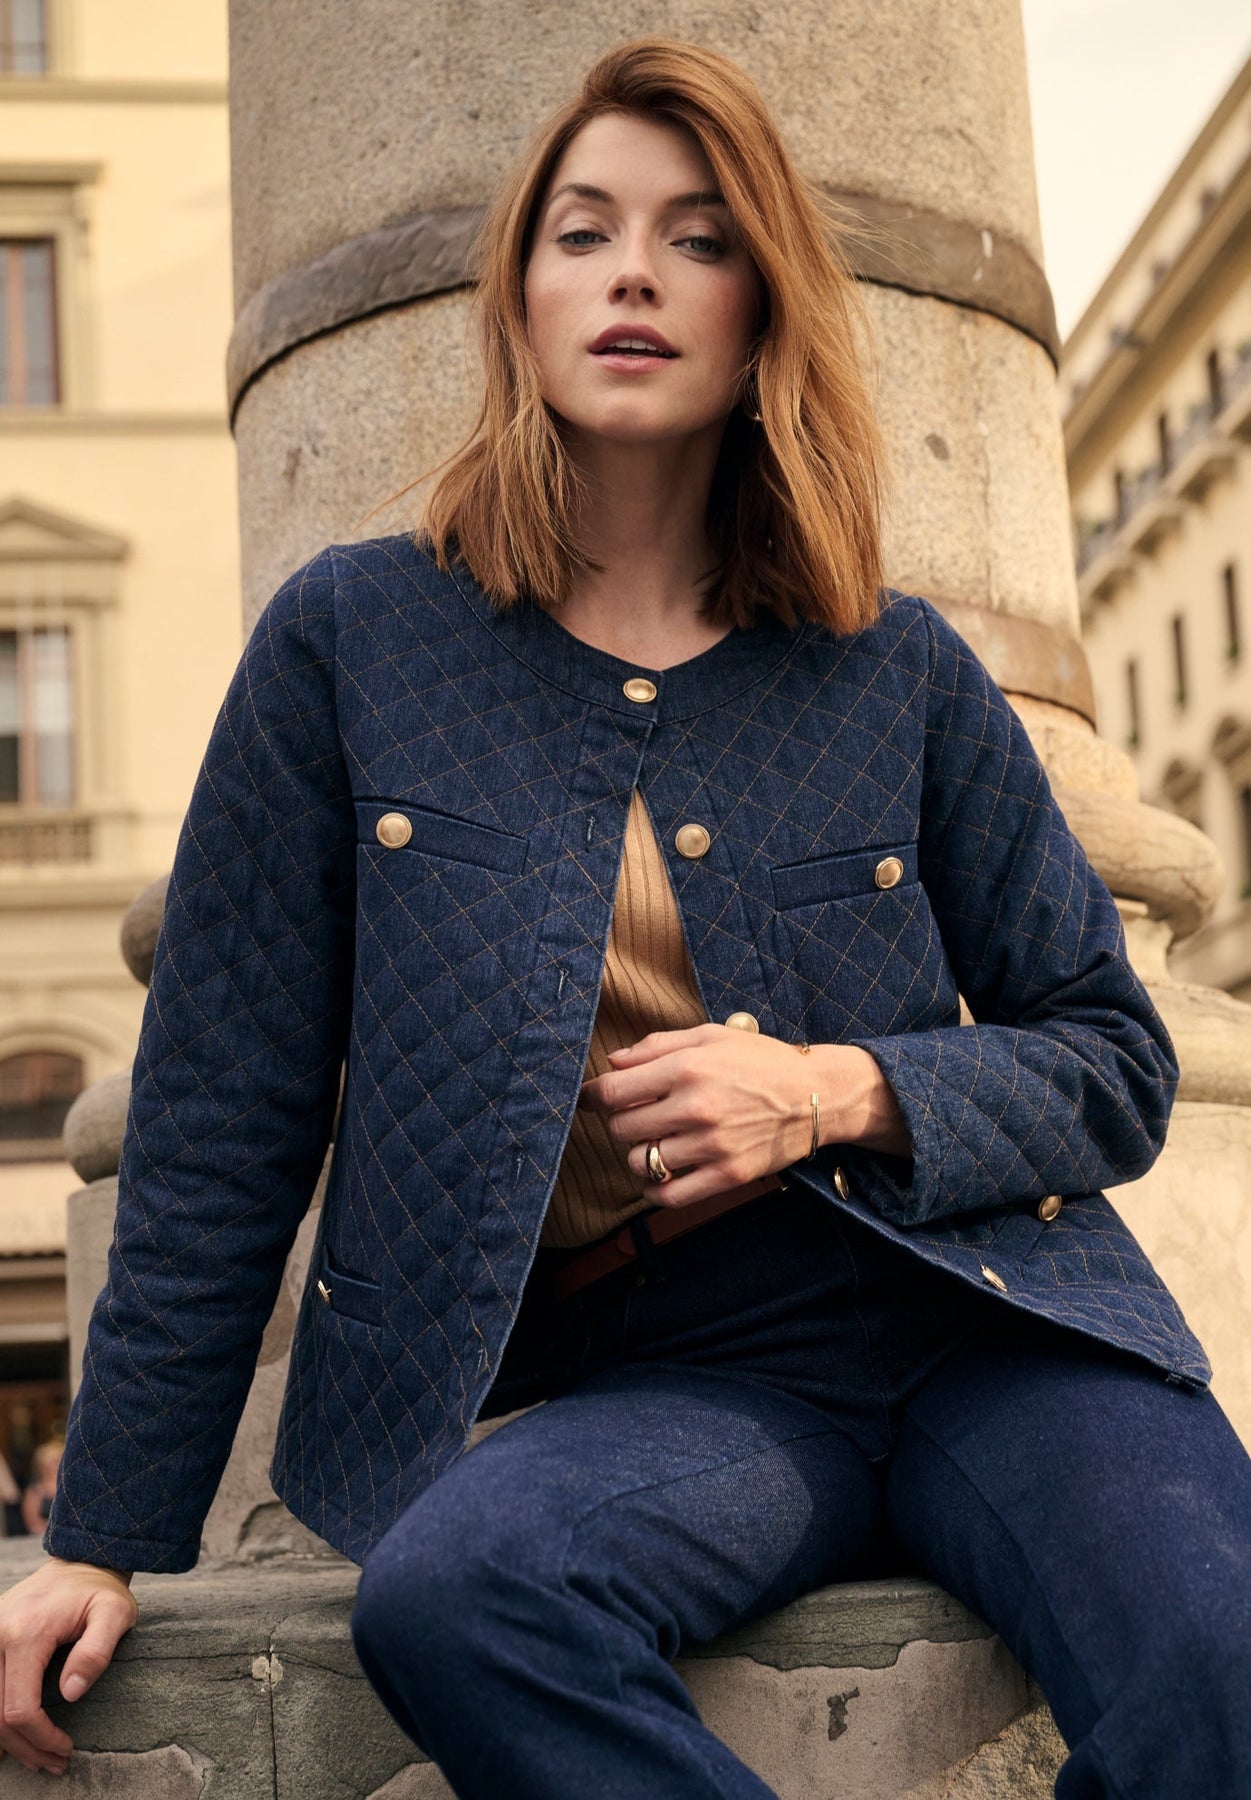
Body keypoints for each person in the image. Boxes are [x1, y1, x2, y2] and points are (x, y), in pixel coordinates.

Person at [0, 37, 1247, 1797]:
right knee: (462, 1598)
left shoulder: (893, 666)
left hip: (986, 1318)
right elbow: (220, 1111)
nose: (635, 274)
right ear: (518, 302)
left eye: (698, 237)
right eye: (582, 233)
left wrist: (831, 1091)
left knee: (1218, 1659)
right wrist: (102, 1533)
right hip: (680, 1376)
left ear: (761, 313)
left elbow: (1112, 1061)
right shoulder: (352, 646)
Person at [19, 1443, 63, 1542]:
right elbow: (33, 1523)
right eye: (47, 1464)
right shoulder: (35, 1491)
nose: (52, 1467)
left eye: (55, 1462)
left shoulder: (69, 1486)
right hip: (42, 1538)